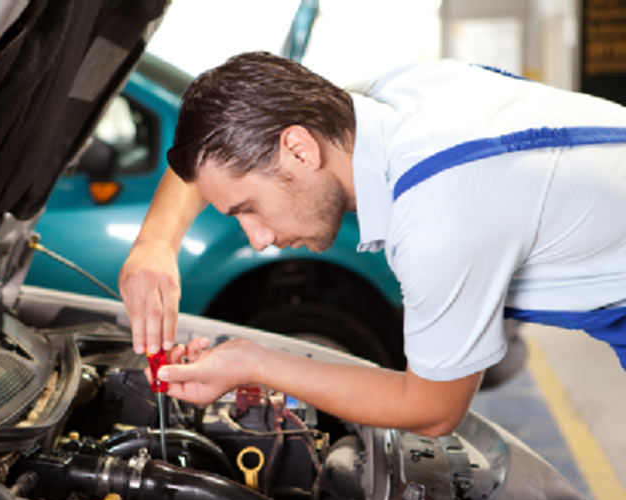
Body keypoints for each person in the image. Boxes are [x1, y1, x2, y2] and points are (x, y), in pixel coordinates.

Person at [118, 51, 626, 437]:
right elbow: (214, 146)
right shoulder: (389, 99)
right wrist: (154, 246)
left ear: (298, 149)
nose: (260, 238)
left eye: (249, 208)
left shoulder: (438, 217)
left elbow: (431, 410)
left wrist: (252, 362)